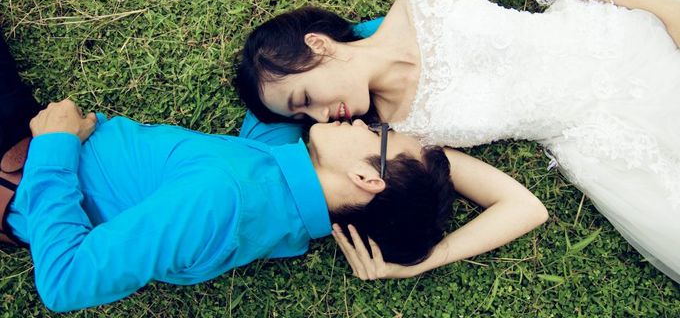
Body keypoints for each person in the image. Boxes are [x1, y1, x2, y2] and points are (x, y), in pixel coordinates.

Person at [235, 0, 680, 282]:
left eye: (305, 99)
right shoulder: (400, 133)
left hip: (622, 26)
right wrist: (424, 261)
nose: (319, 118)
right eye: (302, 116)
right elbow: (523, 206)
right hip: (623, 118)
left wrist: (667, 10)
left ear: (317, 45)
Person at [0, 38, 547, 312]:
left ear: (367, 179)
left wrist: (53, 146)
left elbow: (66, 281)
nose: (365, 120)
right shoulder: (285, 195)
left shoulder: (224, 199)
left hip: (20, 163)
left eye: (379, 134)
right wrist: (366, 51)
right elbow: (526, 206)